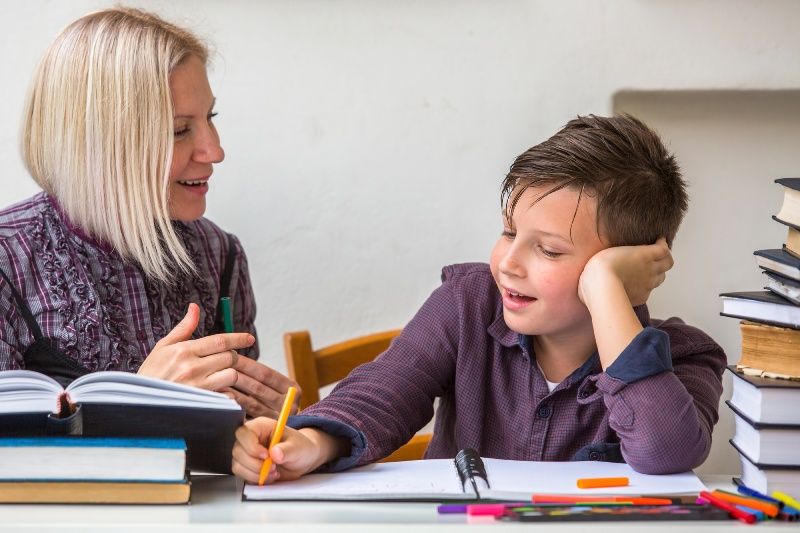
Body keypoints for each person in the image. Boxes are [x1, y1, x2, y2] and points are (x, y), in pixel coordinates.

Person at [232, 114, 727, 482]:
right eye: (509, 232)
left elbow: (665, 452)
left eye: (549, 250)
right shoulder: (467, 304)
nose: (509, 262)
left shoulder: (687, 356)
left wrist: (604, 288)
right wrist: (312, 442)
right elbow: (386, 391)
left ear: (629, 267)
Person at [0, 7, 297, 418]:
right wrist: (139, 404)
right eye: (179, 130)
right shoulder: (8, 264)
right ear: (96, 143)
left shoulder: (220, 254)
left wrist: (275, 426)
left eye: (210, 117)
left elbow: (234, 440)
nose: (215, 151)